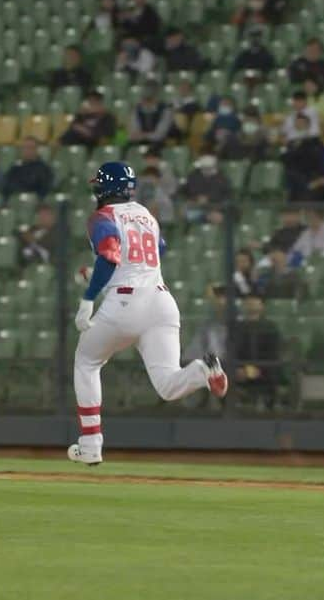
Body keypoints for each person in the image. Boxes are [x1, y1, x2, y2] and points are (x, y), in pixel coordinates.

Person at [69, 161, 228, 465]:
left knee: (86, 362)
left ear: (106, 188)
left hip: (125, 304)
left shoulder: (102, 216)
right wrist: (98, 273)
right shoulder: (146, 215)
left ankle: (90, 444)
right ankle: (203, 371)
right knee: (168, 385)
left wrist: (88, 297)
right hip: (161, 302)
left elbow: (111, 254)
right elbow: (156, 251)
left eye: (98, 185)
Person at [232, 295, 284, 409]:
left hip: (265, 372)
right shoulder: (237, 328)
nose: (252, 302)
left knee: (273, 375)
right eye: (249, 300)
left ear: (262, 306)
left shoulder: (270, 328)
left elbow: (273, 355)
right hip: (241, 372)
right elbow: (233, 352)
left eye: (255, 300)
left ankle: (266, 404)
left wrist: (254, 370)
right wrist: (241, 369)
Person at [180, 155, 231, 224]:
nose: (207, 170)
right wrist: (195, 198)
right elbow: (186, 191)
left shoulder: (221, 179)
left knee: (217, 217)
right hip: (195, 206)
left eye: (209, 167)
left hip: (214, 207)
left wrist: (208, 198)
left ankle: (206, 218)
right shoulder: (193, 176)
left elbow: (225, 196)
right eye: (205, 167)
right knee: (184, 213)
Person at [128, 82, 174, 147]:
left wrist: (144, 135)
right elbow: (134, 132)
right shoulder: (137, 109)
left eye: (149, 99)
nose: (145, 102)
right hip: (139, 143)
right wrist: (139, 135)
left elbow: (160, 135)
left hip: (159, 144)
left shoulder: (165, 110)